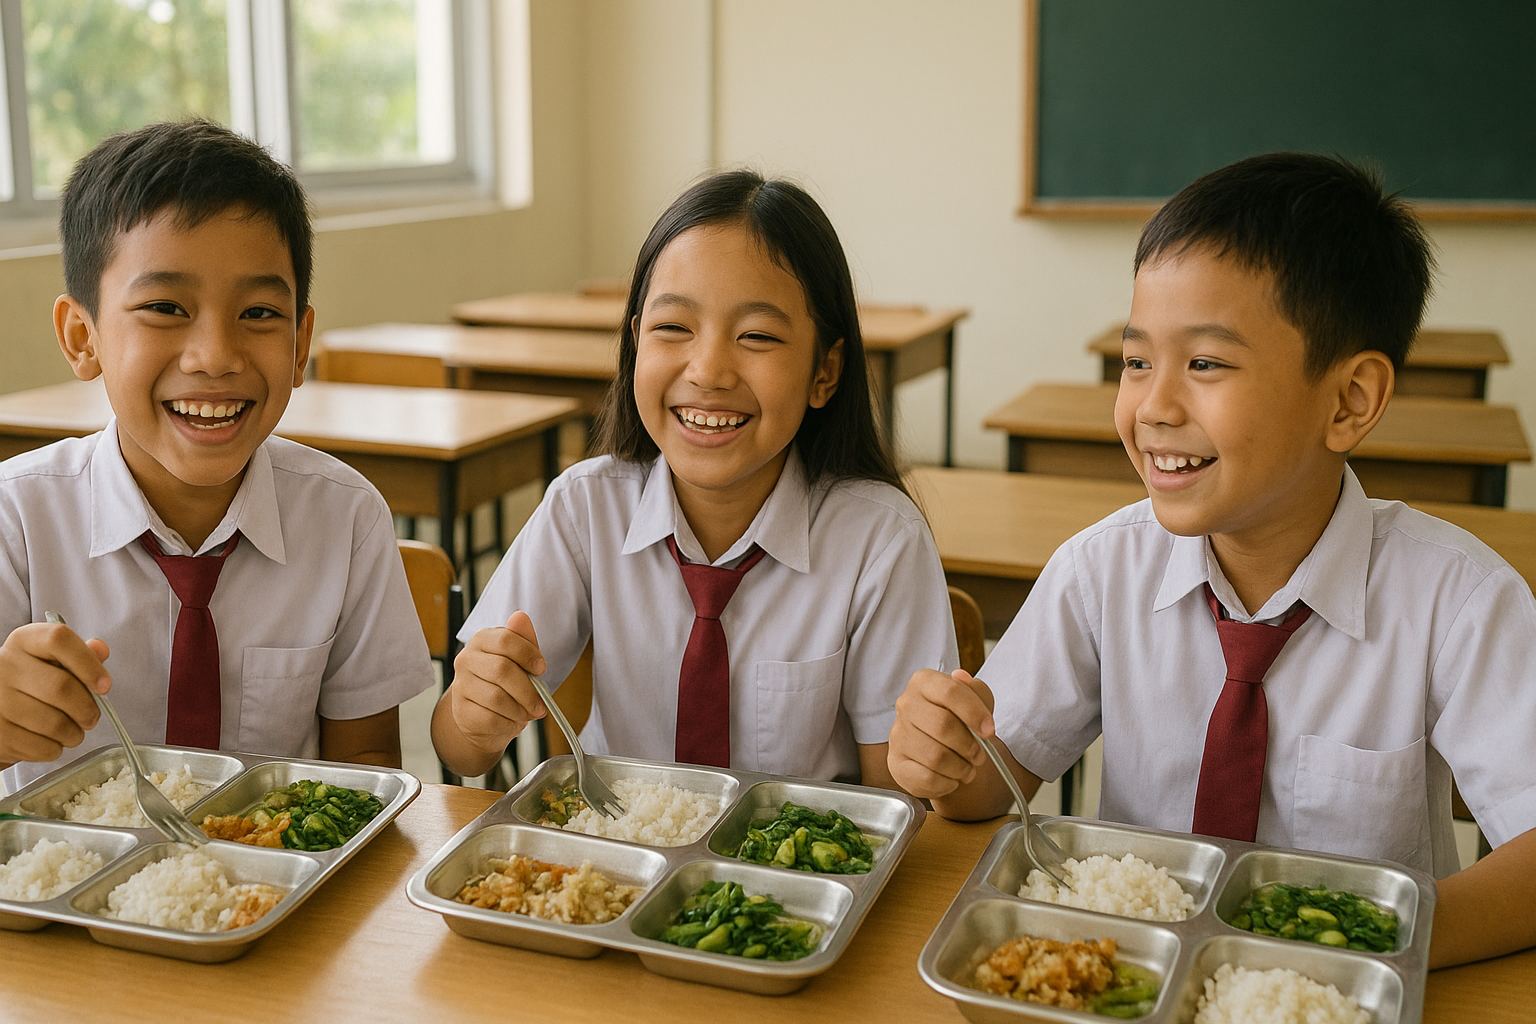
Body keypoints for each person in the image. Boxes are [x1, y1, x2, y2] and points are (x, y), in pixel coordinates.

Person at [887, 153, 1536, 967]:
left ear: (1350, 401)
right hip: (1128, 978)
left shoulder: (1459, 600)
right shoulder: (1101, 572)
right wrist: (947, 757)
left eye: (1206, 364)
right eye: (1135, 362)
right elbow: (994, 782)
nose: (1153, 407)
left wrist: (1347, 949)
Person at [434, 170, 956, 787]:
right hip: (617, 869)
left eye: (757, 336)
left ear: (826, 371)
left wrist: (932, 763)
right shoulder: (585, 508)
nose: (708, 370)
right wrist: (475, 714)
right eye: (673, 328)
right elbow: (458, 751)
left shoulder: (878, 541)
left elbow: (893, 804)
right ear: (635, 345)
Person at [0, 119, 434, 793]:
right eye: (166, 307)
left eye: (259, 314)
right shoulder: (16, 520)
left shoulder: (346, 521)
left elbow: (369, 770)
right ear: (82, 337)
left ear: (300, 344)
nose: (215, 356)